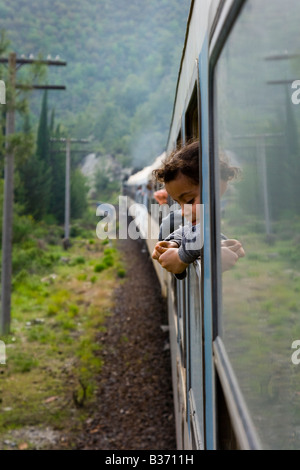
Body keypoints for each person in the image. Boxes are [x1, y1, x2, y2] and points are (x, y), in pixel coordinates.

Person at [151, 140, 245, 276]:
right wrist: (175, 243)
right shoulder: (197, 213)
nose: (183, 212)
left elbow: (203, 234)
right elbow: (195, 231)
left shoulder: (235, 208)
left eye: (189, 201)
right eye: (179, 203)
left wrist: (180, 258)